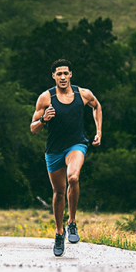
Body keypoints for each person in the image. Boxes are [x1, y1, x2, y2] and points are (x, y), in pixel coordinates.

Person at [30, 59, 102, 256]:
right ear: (53, 76)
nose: (62, 77)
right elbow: (33, 128)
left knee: (73, 178)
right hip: (54, 150)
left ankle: (71, 222)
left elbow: (97, 106)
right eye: (58, 74)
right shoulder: (46, 98)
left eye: (66, 73)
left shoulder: (83, 94)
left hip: (76, 144)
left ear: (71, 74)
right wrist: (44, 119)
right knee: (59, 192)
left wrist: (99, 132)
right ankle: (59, 232)